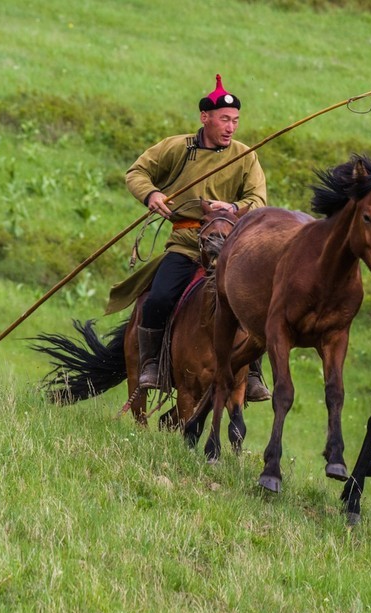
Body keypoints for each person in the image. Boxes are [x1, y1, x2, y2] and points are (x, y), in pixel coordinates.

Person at [112, 74, 270, 401]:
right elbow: (136, 173)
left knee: (257, 305)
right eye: (224, 119)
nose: (230, 127)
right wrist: (152, 195)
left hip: (230, 249)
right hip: (186, 245)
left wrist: (233, 206)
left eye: (235, 121)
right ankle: (152, 364)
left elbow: (258, 201)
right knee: (157, 299)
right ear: (205, 118)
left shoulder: (245, 156)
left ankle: (252, 373)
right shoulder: (176, 148)